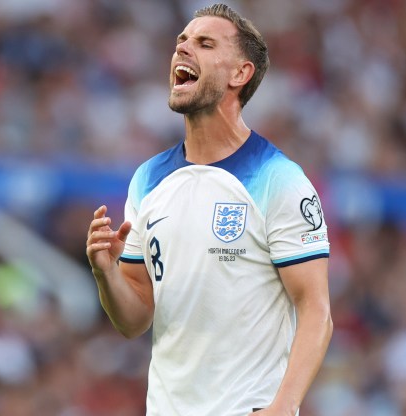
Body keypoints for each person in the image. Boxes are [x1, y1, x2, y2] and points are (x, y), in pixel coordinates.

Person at [85, 4, 332, 415]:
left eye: (204, 43)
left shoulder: (279, 180)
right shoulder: (148, 179)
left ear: (240, 74)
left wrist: (283, 408)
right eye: (181, 41)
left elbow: (316, 312)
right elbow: (134, 319)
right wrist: (106, 274)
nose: (182, 49)